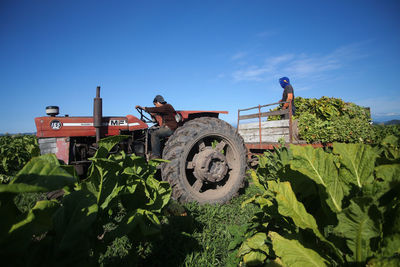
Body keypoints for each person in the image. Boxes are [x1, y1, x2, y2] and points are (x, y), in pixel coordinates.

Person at [136, 95, 178, 159]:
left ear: (158, 102)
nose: (155, 106)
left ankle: (156, 155)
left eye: (155, 104)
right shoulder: (164, 109)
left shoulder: (167, 106)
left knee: (155, 134)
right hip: (167, 126)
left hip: (171, 128)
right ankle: (150, 153)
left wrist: (144, 108)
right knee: (150, 131)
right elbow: (157, 113)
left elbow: (156, 109)